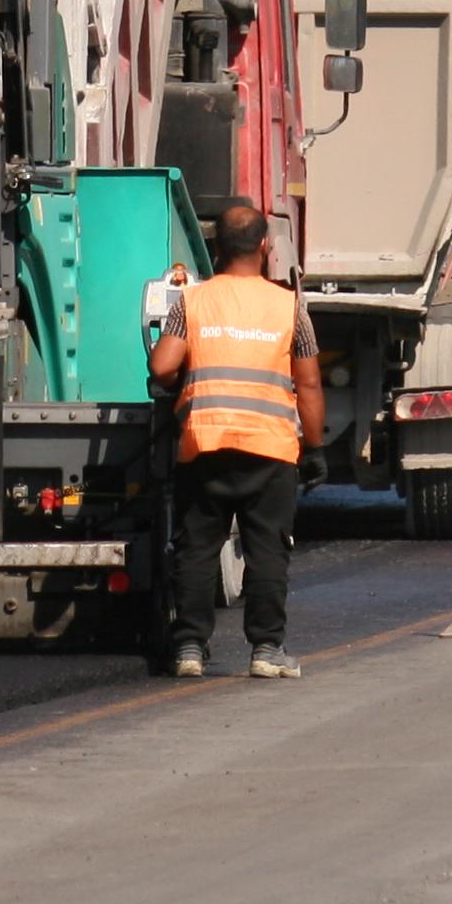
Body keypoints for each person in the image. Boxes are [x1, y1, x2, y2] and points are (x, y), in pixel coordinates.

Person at [149, 206, 325, 680]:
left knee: (197, 548)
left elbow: (163, 368)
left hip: (205, 444)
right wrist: (315, 446)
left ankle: (188, 647)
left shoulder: (192, 303)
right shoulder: (290, 307)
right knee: (267, 548)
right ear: (265, 247)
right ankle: (267, 649)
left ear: (216, 249)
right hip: (270, 450)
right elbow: (308, 384)